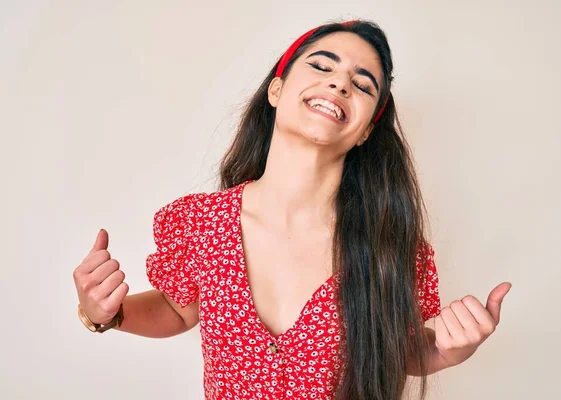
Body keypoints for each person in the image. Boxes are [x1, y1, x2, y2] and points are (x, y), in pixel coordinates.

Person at [72, 19, 512, 400]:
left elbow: (402, 350)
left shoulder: (390, 248)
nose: (340, 84)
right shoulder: (200, 223)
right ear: (277, 90)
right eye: (322, 66)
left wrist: (448, 350)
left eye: (362, 84)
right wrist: (105, 314)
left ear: (365, 131)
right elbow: (176, 309)